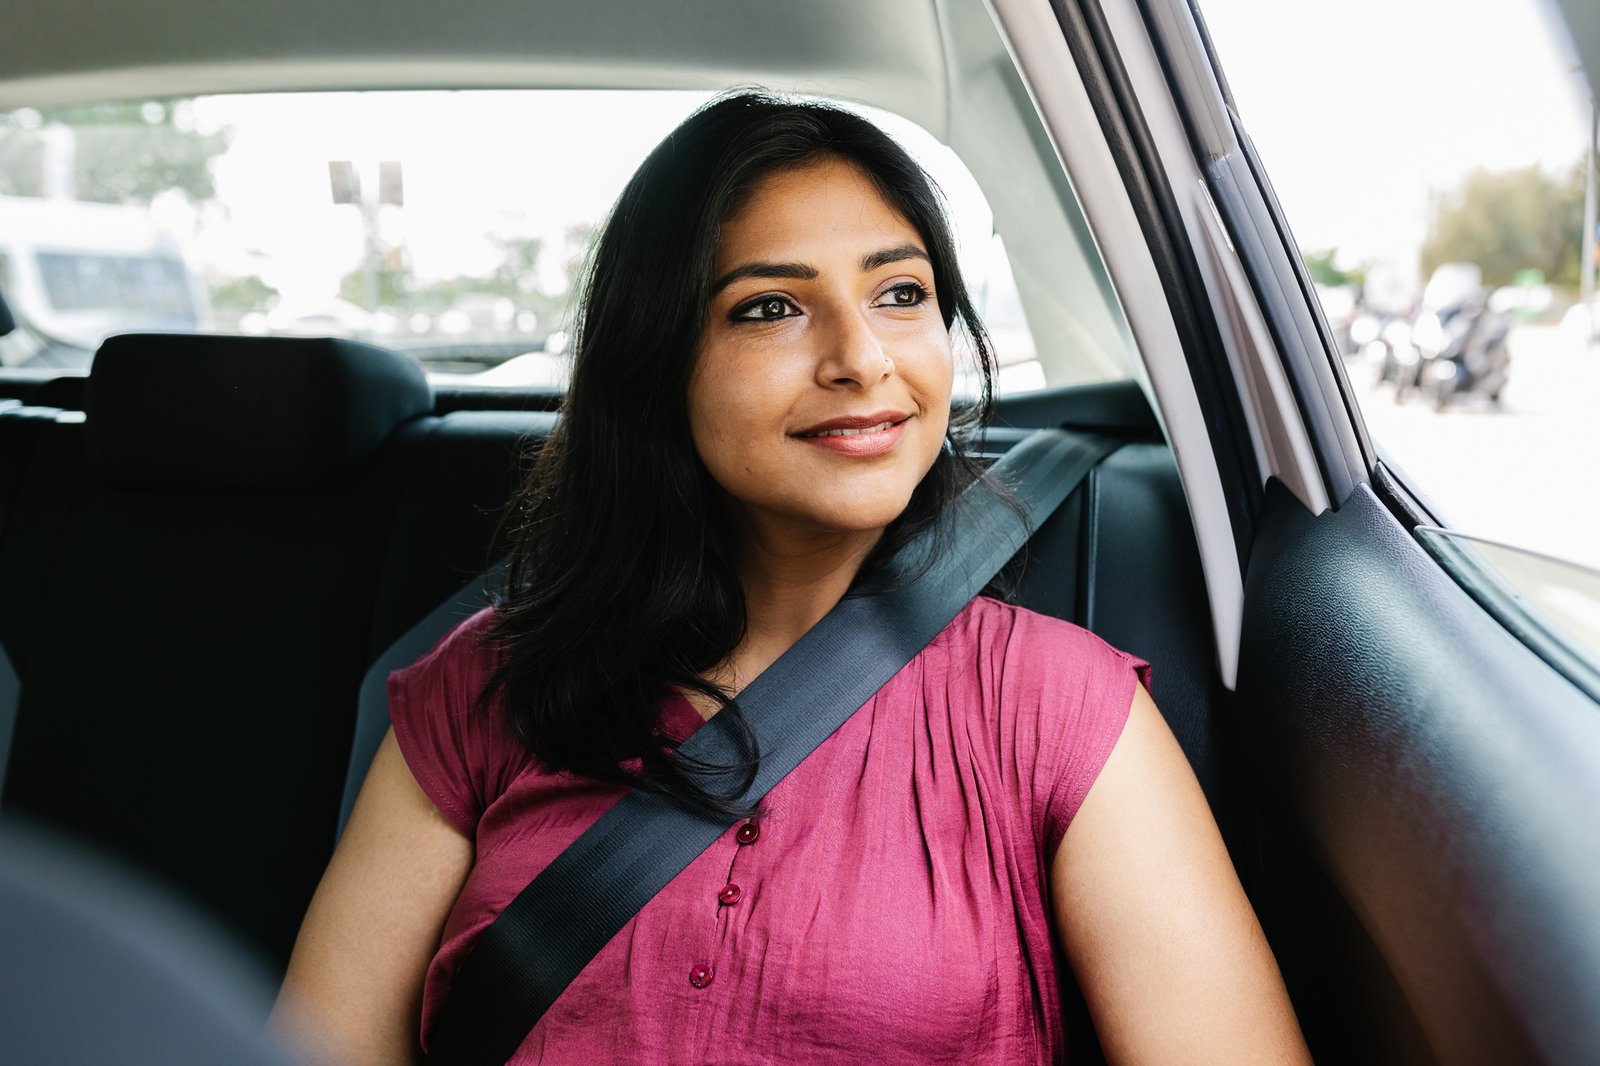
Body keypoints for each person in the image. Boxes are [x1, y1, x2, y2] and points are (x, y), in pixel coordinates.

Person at [272, 91, 1311, 1064]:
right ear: (655, 363)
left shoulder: (1055, 707)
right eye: (770, 307)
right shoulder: (487, 686)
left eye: (901, 293)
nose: (862, 357)